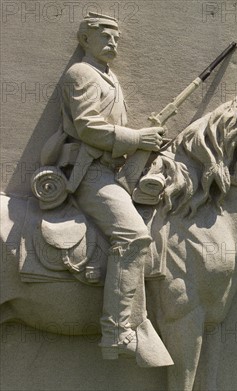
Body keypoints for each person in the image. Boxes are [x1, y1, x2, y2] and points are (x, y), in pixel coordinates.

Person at [61, 12, 165, 360]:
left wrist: (145, 143)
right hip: (89, 175)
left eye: (117, 37)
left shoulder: (111, 79)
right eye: (105, 35)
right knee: (133, 236)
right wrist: (137, 137)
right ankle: (116, 331)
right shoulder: (81, 73)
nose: (113, 42)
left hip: (112, 173)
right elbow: (89, 126)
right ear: (85, 39)